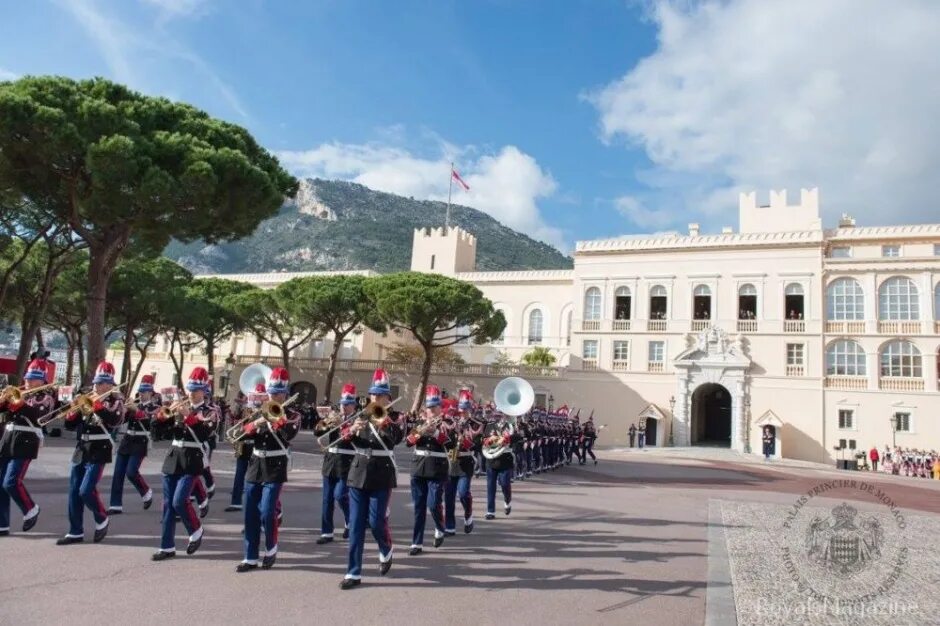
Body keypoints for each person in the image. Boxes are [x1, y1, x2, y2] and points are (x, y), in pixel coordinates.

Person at [340, 369, 403, 590]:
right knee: (356, 525)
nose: (375, 399)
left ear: (388, 397)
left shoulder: (395, 418)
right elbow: (342, 442)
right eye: (373, 395)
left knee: (377, 523)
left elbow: (396, 438)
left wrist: (383, 421)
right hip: (358, 473)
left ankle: (385, 548)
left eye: (380, 395)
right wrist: (352, 431)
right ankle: (353, 572)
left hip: (382, 474)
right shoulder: (359, 416)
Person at [150, 367, 219, 561]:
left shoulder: (210, 411)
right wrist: (160, 419)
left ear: (204, 391)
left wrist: (189, 416)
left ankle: (196, 529)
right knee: (167, 505)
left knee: (179, 501)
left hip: (192, 458)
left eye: (196, 390)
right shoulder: (178, 406)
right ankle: (166, 546)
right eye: (189, 389)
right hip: (173, 457)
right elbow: (157, 435)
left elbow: (205, 434)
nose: (191, 393)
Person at [237, 367, 300, 572]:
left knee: (266, 511)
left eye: (278, 393)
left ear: (285, 394)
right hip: (255, 464)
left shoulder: (292, 414)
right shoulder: (259, 410)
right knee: (250, 513)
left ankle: (271, 548)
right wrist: (255, 423)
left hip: (275, 465)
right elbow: (241, 433)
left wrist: (275, 420)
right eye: (272, 392)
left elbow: (289, 434)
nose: (274, 396)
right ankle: (250, 556)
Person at [57, 361, 124, 546]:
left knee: (86, 490)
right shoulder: (86, 397)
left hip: (100, 447)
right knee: (74, 491)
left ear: (110, 384)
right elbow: (70, 426)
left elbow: (115, 421)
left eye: (101, 382)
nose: (97, 386)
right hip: (81, 447)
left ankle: (102, 517)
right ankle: (75, 531)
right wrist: (72, 412)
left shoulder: (115, 400)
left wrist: (98, 407)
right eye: (96, 382)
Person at [0, 358, 54, 535]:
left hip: (27, 440)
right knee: (1, 484)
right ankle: (2, 524)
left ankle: (30, 508)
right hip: (9, 439)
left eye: (33, 379)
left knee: (11, 482)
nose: (28, 382)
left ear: (42, 380)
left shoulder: (46, 397)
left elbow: (40, 417)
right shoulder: (21, 393)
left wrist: (20, 403)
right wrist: (3, 401)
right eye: (28, 378)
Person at [406, 385, 451, 555]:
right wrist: (421, 431)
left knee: (433, 504)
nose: (430, 411)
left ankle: (440, 527)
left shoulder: (448, 423)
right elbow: (408, 442)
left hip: (437, 468)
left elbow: (452, 444)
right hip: (418, 466)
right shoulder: (419, 422)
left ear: (440, 408)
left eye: (434, 408)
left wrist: (436, 433)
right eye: (428, 408)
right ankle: (416, 542)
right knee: (418, 507)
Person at [108, 374, 159, 514]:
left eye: (144, 392)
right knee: (118, 473)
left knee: (131, 471)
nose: (141, 395)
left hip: (141, 441)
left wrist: (136, 411)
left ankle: (146, 491)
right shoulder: (133, 405)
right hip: (127, 440)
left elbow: (151, 421)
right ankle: (115, 505)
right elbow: (121, 421)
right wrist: (122, 410)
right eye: (140, 392)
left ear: (151, 393)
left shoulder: (155, 407)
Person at [315, 383, 356, 544]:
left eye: (347, 404)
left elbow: (356, 439)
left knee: (340, 495)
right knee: (327, 499)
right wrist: (326, 423)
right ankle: (326, 532)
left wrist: (346, 426)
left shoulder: (356, 420)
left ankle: (349, 520)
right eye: (342, 404)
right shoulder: (333, 417)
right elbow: (317, 432)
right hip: (330, 461)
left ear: (353, 405)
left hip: (347, 462)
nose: (344, 407)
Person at [226, 384, 266, 513]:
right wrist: (241, 406)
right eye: (255, 396)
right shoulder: (246, 409)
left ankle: (259, 506)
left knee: (256, 477)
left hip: (256, 445)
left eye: (260, 396)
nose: (257, 399)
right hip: (243, 445)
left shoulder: (266, 411)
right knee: (239, 474)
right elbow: (235, 419)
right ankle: (236, 502)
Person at [444, 389, 477, 535]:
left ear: (470, 409)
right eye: (461, 409)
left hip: (466, 461)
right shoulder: (452, 423)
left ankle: (468, 513)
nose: (462, 412)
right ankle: (449, 525)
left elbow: (478, 443)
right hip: (452, 460)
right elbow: (446, 442)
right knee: (449, 496)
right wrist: (451, 432)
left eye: (465, 409)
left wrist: (465, 439)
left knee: (463, 493)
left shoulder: (476, 424)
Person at [482, 411, 520, 519]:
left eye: (502, 414)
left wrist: (510, 438)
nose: (499, 416)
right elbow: (484, 440)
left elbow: (519, 437)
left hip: (505, 459)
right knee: (490, 486)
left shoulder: (511, 426)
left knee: (505, 484)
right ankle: (490, 511)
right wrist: (494, 440)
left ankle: (507, 501)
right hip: (492, 459)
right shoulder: (490, 426)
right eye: (497, 414)